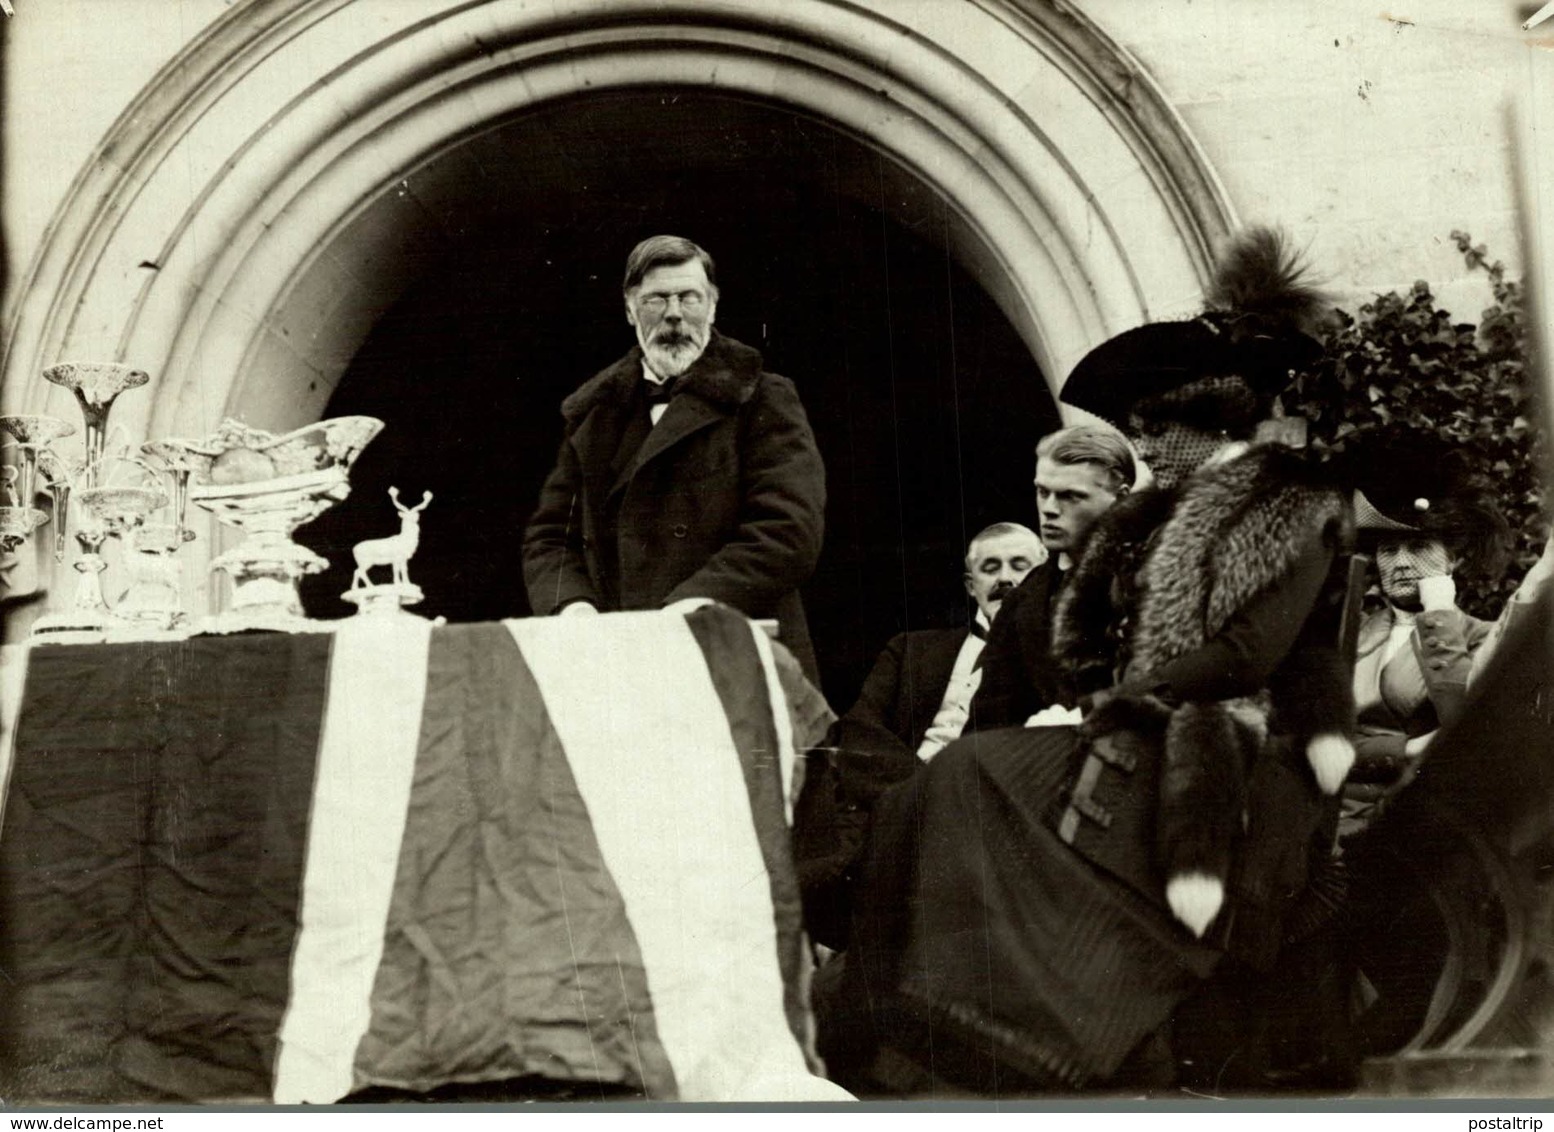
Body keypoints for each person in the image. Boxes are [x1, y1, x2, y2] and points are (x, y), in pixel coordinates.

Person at [819, 227, 1359, 1095]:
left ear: (1207, 426)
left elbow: (1245, 653)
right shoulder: (1159, 516)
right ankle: (940, 1017)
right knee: (949, 781)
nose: (1145, 450)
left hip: (1248, 745)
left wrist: (1112, 704)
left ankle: (1041, 1023)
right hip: (1149, 727)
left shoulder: (1286, 501)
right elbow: (1107, 637)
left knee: (972, 778)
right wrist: (1092, 693)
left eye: (1158, 432)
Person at [521, 235, 826, 675]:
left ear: (713, 306)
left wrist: (688, 606)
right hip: (620, 661)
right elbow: (550, 538)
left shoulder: (764, 398)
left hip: (736, 651)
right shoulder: (593, 413)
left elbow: (789, 531)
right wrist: (574, 609)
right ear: (630, 310)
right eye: (656, 300)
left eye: (689, 298)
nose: (674, 315)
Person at [794, 522, 1045, 948]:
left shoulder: (1050, 662)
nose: (1005, 578)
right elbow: (859, 731)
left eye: (1020, 566)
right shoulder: (911, 649)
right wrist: (917, 791)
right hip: (889, 804)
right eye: (991, 567)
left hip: (976, 815)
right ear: (971, 584)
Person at [1337, 427, 1510, 836]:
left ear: (1455, 558)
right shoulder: (1353, 630)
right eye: (1388, 550)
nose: (1399, 563)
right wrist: (1406, 749)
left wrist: (1438, 612)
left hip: (1414, 826)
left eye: (1417, 549)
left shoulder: (1483, 637)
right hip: (1328, 816)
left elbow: (1461, 731)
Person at [970, 424, 1136, 730]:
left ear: (1121, 498)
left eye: (1070, 496)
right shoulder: (1024, 598)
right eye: (1042, 492)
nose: (1048, 509)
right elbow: (989, 717)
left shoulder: (1144, 578)